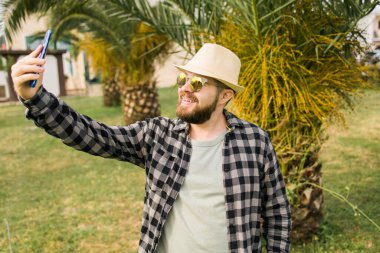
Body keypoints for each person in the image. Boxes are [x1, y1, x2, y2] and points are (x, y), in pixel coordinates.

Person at [11, 43, 291, 253]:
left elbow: (277, 212)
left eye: (197, 83)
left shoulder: (255, 142)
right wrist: (35, 98)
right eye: (183, 79)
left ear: (225, 96)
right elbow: (94, 136)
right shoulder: (158, 135)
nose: (184, 89)